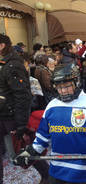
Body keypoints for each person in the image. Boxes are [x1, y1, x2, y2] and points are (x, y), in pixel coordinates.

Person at [14, 63, 86, 184]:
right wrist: (31, 151)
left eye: (67, 86)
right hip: (57, 169)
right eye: (59, 87)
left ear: (76, 82)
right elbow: (42, 136)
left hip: (83, 171)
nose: (63, 91)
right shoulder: (52, 105)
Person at [0, 34, 32, 184]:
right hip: (3, 112)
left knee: (23, 148)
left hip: (11, 114)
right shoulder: (3, 62)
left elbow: (22, 94)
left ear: (2, 46)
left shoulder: (12, 64)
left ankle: (45, 172)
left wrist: (21, 123)